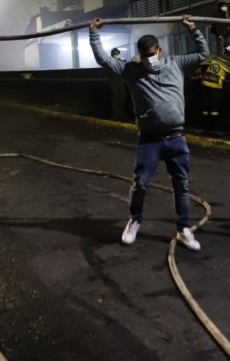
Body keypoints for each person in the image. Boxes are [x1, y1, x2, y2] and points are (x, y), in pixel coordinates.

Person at [89, 14, 208, 251]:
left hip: (176, 138)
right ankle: (134, 221)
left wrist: (193, 29)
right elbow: (103, 59)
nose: (150, 59)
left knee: (181, 185)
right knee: (141, 183)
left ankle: (184, 229)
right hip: (150, 141)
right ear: (140, 54)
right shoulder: (131, 70)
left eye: (153, 54)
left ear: (160, 50)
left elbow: (203, 53)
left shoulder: (176, 63)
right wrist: (94, 32)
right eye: (146, 55)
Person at [198, 45, 230, 131]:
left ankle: (204, 126)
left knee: (205, 107)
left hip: (205, 83)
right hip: (215, 86)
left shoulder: (215, 59)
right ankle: (214, 128)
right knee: (214, 109)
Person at [107, 48, 127, 120]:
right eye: (115, 54)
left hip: (121, 83)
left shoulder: (122, 61)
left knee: (121, 100)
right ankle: (115, 117)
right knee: (114, 100)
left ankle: (120, 116)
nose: (116, 55)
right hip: (114, 83)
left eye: (117, 53)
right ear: (112, 55)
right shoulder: (110, 62)